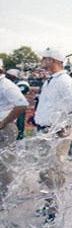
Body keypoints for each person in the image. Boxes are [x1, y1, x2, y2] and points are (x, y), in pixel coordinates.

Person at [33, 47, 72, 222]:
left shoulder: (65, 81)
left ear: (53, 60)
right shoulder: (51, 81)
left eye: (45, 58)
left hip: (56, 132)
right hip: (45, 130)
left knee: (53, 171)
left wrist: (65, 125)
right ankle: (50, 204)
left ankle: (55, 209)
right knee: (46, 171)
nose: (42, 61)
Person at [0, 59, 28, 205]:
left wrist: (4, 121)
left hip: (5, 129)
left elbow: (22, 104)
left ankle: (6, 199)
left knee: (5, 166)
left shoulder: (6, 85)